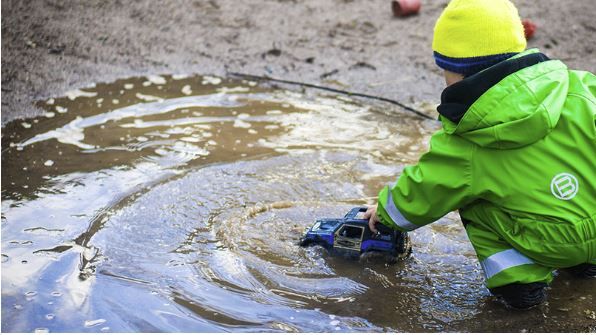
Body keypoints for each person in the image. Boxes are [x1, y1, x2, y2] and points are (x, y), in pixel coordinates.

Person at [364, 0, 595, 309]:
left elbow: (426, 189)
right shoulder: (582, 87)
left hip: (548, 241)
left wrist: (386, 213)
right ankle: (586, 266)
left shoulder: (468, 138)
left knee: (471, 198)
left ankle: (519, 285)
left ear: (456, 73)